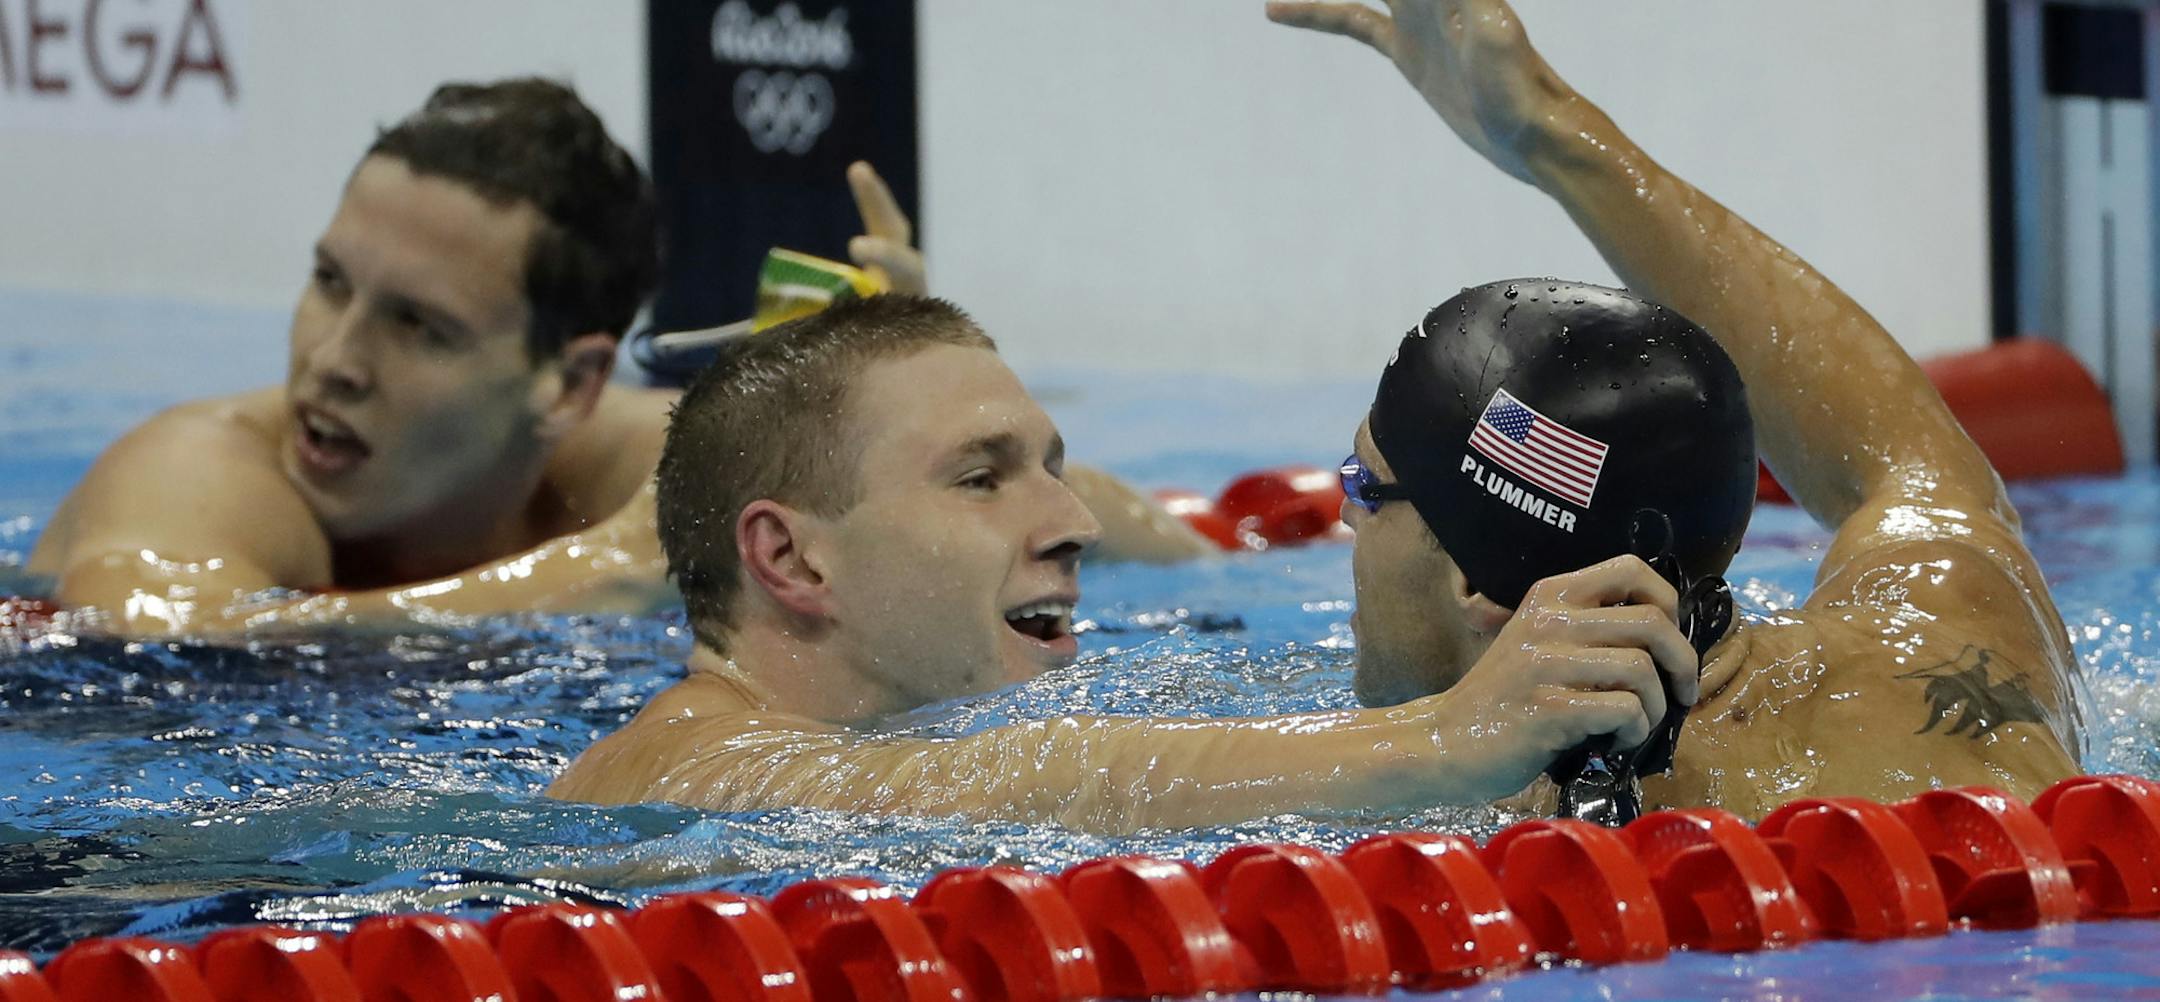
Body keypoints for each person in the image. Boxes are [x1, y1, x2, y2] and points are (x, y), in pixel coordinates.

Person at [26, 79, 1208, 638]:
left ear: (571, 384)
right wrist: (607, 570)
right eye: (330, 283)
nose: (331, 360)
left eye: (417, 326)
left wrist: (914, 429)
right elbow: (151, 639)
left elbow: (1146, 537)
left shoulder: (650, 463)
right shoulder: (202, 470)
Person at [1270, 0, 2082, 813]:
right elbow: (1911, 473)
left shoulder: (1543, 819)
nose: (1344, 519)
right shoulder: (1955, 625)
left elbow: (1138, 777)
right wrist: (1551, 131)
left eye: (1363, 486)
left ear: (1476, 586)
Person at [550, 294, 1699, 830]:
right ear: (789, 558)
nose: (1073, 522)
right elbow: (986, 789)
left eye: (1054, 465)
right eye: (981, 477)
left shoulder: (918, 725)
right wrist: (1440, 741)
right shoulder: (676, 776)